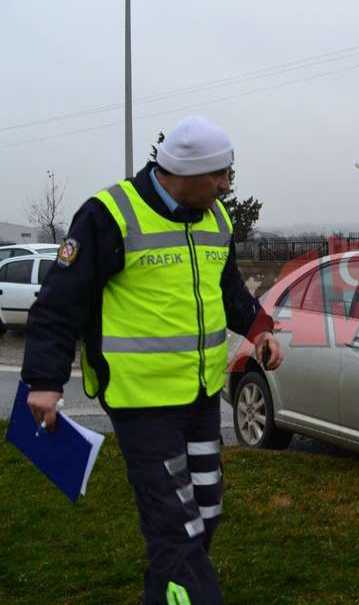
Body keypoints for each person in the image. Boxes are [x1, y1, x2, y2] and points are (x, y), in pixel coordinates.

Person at [22, 115, 283, 605]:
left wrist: (260, 329)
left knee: (205, 510)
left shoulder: (216, 220)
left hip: (201, 398)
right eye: (218, 176)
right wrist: (44, 382)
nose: (227, 187)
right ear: (182, 173)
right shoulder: (108, 215)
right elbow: (58, 304)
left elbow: (227, 290)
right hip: (141, 403)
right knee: (177, 526)